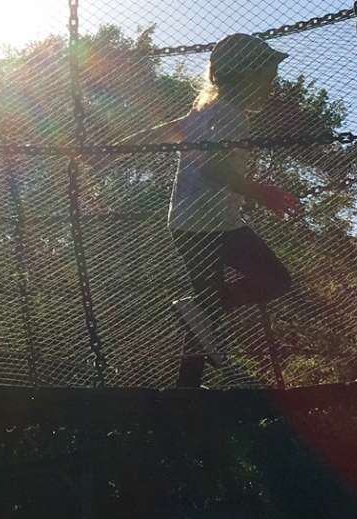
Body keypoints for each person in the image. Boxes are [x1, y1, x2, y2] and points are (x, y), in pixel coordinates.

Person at [129, 33, 301, 387]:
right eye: (266, 79)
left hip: (185, 223)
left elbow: (165, 131)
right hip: (214, 225)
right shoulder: (232, 117)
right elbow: (213, 167)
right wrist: (262, 192)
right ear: (243, 77)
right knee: (275, 280)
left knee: (204, 312)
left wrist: (111, 143)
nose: (271, 86)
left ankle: (186, 390)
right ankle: (201, 313)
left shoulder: (204, 112)